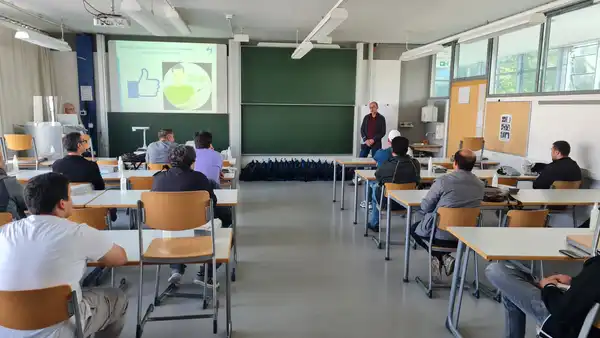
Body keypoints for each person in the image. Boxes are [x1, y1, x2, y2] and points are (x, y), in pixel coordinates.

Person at [0, 172, 128, 338]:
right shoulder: (78, 233)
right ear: (61, 204)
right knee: (117, 297)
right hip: (60, 329)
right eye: (70, 196)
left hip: (8, 327)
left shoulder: (5, 232)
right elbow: (120, 258)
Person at [152, 145, 232, 288]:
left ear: (169, 160)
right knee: (229, 232)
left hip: (165, 232)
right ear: (193, 161)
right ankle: (205, 275)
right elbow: (212, 203)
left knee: (177, 230)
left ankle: (176, 268)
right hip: (196, 228)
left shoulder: (158, 179)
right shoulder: (199, 178)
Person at [410, 149, 484, 277]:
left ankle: (441, 256)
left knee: (413, 229)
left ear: (455, 163)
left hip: (441, 235)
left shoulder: (443, 181)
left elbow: (426, 207)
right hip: (467, 237)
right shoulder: (480, 185)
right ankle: (443, 257)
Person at [486, 259, 600, 338]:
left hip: (566, 326)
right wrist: (573, 281)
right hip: (582, 319)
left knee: (495, 271)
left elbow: (562, 311)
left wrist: (549, 287)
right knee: (512, 286)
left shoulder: (597, 266)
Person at [367, 136, 421, 232]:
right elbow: (418, 180)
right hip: (409, 203)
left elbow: (378, 177)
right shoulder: (415, 164)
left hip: (388, 203)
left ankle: (374, 223)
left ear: (392, 149)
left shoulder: (387, 164)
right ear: (407, 149)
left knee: (375, 187)